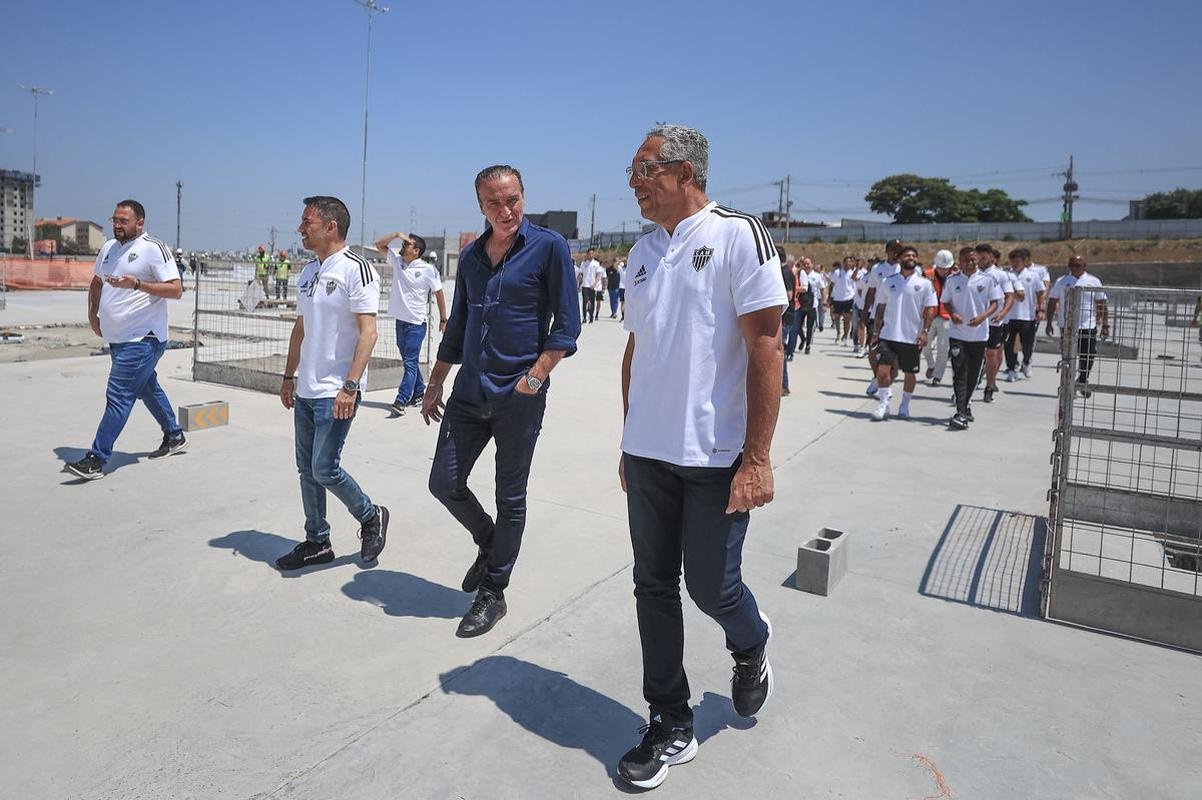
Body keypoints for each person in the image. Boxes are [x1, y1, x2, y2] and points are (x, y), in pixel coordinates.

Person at [617, 124, 782, 790]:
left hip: (716, 457)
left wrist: (758, 458)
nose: (633, 181)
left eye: (644, 168)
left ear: (685, 172)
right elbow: (636, 349)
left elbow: (767, 346)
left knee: (711, 587)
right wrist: (629, 439)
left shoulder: (738, 234)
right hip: (650, 453)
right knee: (651, 586)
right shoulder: (640, 250)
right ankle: (669, 721)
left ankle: (751, 643)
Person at [423, 165, 580, 638]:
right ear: (480, 206)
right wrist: (435, 381)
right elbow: (458, 326)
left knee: (510, 497)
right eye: (495, 203)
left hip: (519, 396)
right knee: (443, 482)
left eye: (512, 199)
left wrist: (536, 376)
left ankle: (494, 590)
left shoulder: (549, 247)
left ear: (523, 197)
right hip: (470, 393)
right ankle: (490, 542)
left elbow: (567, 326)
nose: (506, 210)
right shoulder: (471, 257)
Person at [273, 196, 390, 570]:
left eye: (306, 222)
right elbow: (301, 328)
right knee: (306, 470)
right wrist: (289, 376)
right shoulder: (308, 272)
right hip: (306, 388)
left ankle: (371, 516)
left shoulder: (356, 269)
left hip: (336, 391)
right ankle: (317, 541)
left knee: (325, 468)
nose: (300, 228)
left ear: (330, 227)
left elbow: (368, 333)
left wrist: (350, 386)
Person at [66, 200, 188, 480]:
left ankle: (97, 458)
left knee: (119, 395)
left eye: (124, 221)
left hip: (144, 338)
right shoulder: (109, 248)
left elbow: (175, 289)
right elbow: (97, 282)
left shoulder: (153, 248)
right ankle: (174, 435)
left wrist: (137, 284)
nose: (117, 225)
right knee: (146, 388)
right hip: (119, 338)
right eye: (115, 220)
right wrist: (93, 314)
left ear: (140, 223)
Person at [374, 230, 448, 416]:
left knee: (409, 362)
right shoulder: (398, 262)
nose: (403, 246)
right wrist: (397, 234)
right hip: (401, 322)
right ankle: (418, 393)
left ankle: (401, 400)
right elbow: (379, 245)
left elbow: (439, 293)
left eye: (408, 244)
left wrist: (443, 318)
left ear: (417, 251)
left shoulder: (428, 270)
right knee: (411, 363)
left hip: (416, 323)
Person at [869, 245, 937, 421]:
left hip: (911, 337)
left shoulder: (924, 284)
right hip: (888, 335)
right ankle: (883, 404)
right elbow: (880, 309)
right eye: (907, 255)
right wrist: (876, 332)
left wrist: (925, 332)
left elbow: (930, 310)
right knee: (882, 371)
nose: (911, 258)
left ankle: (905, 405)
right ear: (899, 259)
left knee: (910, 373)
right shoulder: (888, 281)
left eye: (914, 255)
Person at [941, 250, 1003, 429]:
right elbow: (945, 301)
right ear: (959, 261)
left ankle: (966, 404)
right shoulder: (952, 280)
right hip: (958, 334)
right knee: (959, 372)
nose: (971, 263)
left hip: (979, 335)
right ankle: (960, 412)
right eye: (967, 260)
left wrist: (983, 317)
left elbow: (995, 303)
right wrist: (952, 314)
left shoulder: (988, 280)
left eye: (974, 260)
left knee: (973, 374)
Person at [1046, 256, 1109, 396]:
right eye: (1072, 265)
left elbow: (1102, 303)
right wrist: (1049, 322)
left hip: (1087, 324)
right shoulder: (1062, 281)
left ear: (1084, 266)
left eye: (1078, 265)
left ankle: (1082, 379)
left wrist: (1105, 324)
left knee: (1088, 354)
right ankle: (1067, 386)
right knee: (1067, 357)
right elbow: (1052, 301)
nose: (1075, 268)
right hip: (1067, 326)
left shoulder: (1093, 281)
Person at [975, 243, 1018, 403]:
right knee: (974, 355)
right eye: (978, 257)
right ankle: (968, 387)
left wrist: (1003, 312)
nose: (980, 260)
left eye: (984, 257)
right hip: (976, 321)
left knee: (992, 354)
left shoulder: (1001, 275)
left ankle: (989, 386)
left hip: (994, 322)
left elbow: (1010, 295)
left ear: (992, 257)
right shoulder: (973, 274)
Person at [863, 240, 902, 393]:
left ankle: (886, 383)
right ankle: (877, 377)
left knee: (894, 356)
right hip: (877, 316)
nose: (896, 253)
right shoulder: (877, 269)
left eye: (899, 250)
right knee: (872, 351)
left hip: (896, 318)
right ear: (887, 251)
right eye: (893, 249)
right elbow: (871, 292)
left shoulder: (903, 269)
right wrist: (864, 314)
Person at [1002, 248, 1046, 381]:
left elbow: (1040, 293)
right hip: (1009, 316)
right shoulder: (1006, 275)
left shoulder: (1033, 275)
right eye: (1013, 261)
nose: (1015, 264)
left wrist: (1040, 310)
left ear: (1024, 261)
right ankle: (1011, 368)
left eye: (1018, 261)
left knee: (1027, 344)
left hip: (1027, 316)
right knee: (1009, 344)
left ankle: (1026, 362)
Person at [922, 249, 955, 386]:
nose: (944, 271)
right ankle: (931, 364)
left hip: (946, 317)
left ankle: (937, 375)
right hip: (929, 316)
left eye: (947, 268)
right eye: (941, 268)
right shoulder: (927, 275)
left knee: (943, 348)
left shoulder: (955, 277)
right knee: (925, 345)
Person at [797, 256, 824, 354]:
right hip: (801, 303)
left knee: (809, 326)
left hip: (813, 304)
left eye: (808, 263)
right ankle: (803, 339)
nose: (807, 265)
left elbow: (822, 289)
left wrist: (824, 302)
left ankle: (808, 345)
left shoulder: (817, 276)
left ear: (812, 264)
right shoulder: (800, 274)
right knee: (798, 325)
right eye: (805, 264)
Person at [827, 256, 856, 346]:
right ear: (843, 263)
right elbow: (832, 284)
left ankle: (845, 336)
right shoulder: (837, 272)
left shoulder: (853, 273)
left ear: (851, 263)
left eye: (849, 262)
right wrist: (829, 296)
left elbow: (855, 286)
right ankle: (838, 333)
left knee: (847, 319)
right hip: (838, 298)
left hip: (849, 298)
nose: (847, 263)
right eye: (846, 262)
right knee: (837, 318)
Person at [579, 247, 601, 324]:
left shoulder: (596, 264)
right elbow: (580, 274)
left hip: (592, 286)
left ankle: (591, 317)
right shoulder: (583, 263)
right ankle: (584, 317)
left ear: (593, 254)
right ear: (587, 254)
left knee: (592, 301)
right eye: (589, 254)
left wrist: (595, 283)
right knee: (585, 301)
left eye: (592, 254)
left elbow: (598, 275)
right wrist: (579, 283)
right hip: (585, 285)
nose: (590, 255)